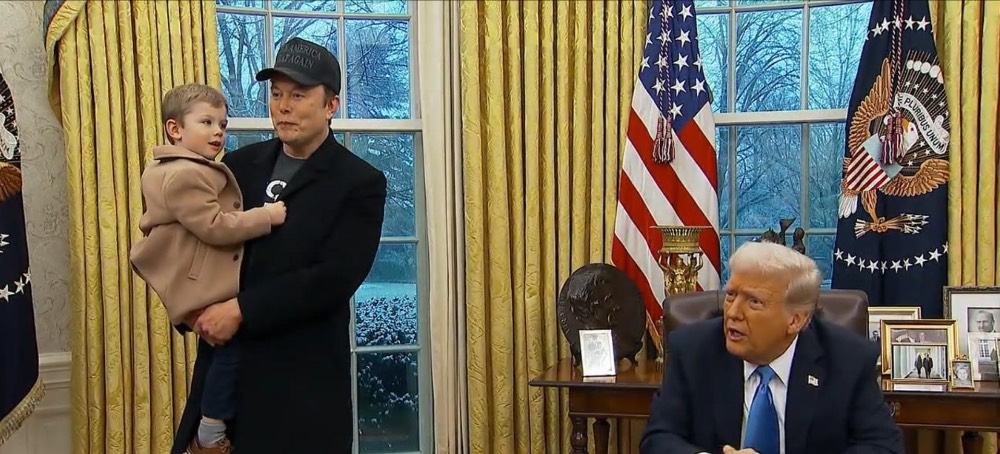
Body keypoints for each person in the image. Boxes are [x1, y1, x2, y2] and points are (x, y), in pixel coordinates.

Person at [170, 37, 387, 454]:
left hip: (301, 392)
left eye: (298, 95)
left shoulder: (359, 183)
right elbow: (198, 244)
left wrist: (240, 310)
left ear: (331, 105)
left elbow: (332, 279)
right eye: (276, 94)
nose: (283, 106)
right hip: (224, 386)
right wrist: (192, 310)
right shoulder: (237, 166)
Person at [129, 83, 287, 454]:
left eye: (223, 124)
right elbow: (214, 226)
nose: (218, 131)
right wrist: (266, 216)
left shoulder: (178, 168)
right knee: (230, 351)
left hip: (194, 281)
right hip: (200, 285)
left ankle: (211, 423)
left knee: (220, 353)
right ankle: (211, 427)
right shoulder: (184, 175)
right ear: (175, 129)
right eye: (206, 122)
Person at [640, 241, 902, 454]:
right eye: (731, 294)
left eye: (754, 302)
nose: (733, 312)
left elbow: (883, 447)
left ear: (795, 320)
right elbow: (658, 438)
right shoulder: (694, 350)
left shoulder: (848, 359)